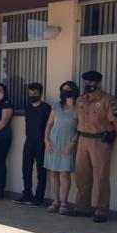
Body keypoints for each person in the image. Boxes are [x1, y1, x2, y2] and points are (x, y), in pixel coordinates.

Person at [75, 70, 117, 223]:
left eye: (91, 82)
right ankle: (82, 208)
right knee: (82, 176)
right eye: (86, 82)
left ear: (98, 83)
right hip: (83, 139)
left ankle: (102, 210)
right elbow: (77, 120)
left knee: (101, 176)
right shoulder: (81, 100)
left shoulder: (108, 100)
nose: (88, 85)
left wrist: (113, 135)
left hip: (99, 141)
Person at [44, 81, 79, 215]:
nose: (65, 92)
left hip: (68, 143)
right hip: (53, 142)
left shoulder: (78, 108)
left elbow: (80, 129)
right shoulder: (56, 106)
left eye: (68, 90)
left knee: (64, 172)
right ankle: (55, 201)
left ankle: (64, 203)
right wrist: (46, 140)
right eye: (63, 90)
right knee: (53, 172)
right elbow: (49, 124)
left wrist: (72, 144)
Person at [14, 83, 51, 206]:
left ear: (40, 93)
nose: (32, 96)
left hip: (42, 143)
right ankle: (27, 194)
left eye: (34, 94)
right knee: (26, 169)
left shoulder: (47, 108)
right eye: (30, 94)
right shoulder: (28, 107)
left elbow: (50, 126)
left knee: (41, 171)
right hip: (29, 141)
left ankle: (39, 197)